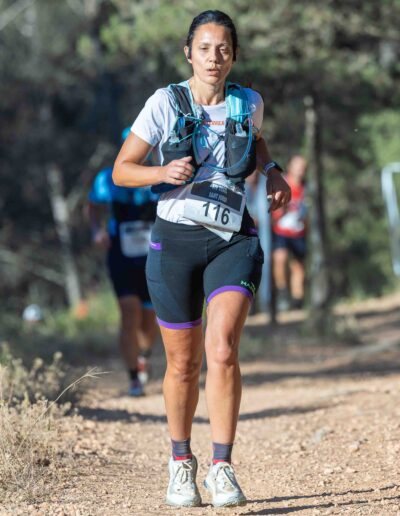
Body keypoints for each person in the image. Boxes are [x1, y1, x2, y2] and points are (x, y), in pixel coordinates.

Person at [113, 10, 291, 508]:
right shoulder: (164, 104)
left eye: (223, 49)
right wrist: (161, 172)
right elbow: (122, 170)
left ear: (234, 55)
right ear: (188, 53)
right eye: (205, 48)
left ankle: (222, 467)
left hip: (233, 240)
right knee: (183, 363)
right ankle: (180, 462)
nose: (215, 58)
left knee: (223, 348)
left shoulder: (248, 102)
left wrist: (272, 170)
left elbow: (256, 142)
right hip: (175, 242)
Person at [88, 131, 158, 396]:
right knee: (129, 313)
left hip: (153, 254)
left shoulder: (160, 175)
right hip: (120, 253)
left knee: (149, 320)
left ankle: (144, 356)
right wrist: (97, 231)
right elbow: (92, 206)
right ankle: (133, 378)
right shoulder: (107, 178)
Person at [271, 155, 307, 310]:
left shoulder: (306, 187)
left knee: (298, 267)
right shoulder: (283, 183)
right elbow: (274, 208)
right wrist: (280, 211)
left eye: (303, 167)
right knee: (280, 258)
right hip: (281, 230)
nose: (300, 170)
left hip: (298, 232)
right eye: (298, 166)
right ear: (290, 167)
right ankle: (282, 292)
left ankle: (298, 302)